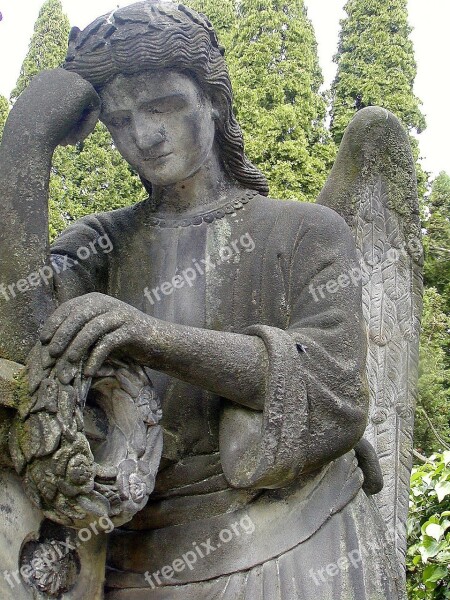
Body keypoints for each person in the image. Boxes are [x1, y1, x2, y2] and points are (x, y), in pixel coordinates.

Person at [3, 2, 403, 598]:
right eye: (119, 120)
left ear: (212, 101)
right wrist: (25, 144)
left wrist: (152, 337)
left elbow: (334, 389)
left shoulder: (304, 232)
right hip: (129, 557)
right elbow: (22, 356)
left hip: (287, 546)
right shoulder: (99, 244)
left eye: (163, 106)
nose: (143, 136)